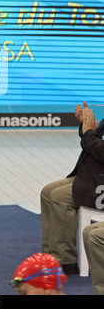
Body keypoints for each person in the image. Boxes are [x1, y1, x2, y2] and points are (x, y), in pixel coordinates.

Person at [40, 100, 104, 274]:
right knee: (47, 192)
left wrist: (89, 131)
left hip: (100, 183)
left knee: (59, 197)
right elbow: (92, 140)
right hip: (95, 176)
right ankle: (51, 255)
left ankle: (65, 260)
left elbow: (99, 149)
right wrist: (86, 126)